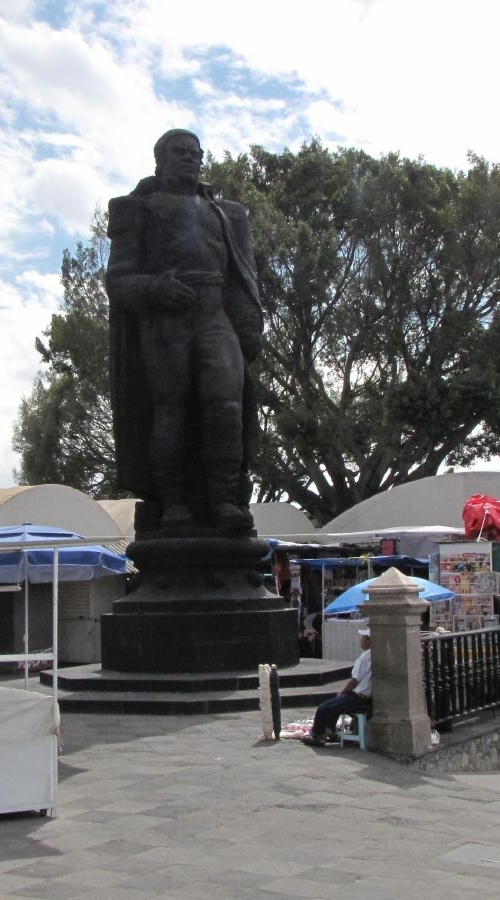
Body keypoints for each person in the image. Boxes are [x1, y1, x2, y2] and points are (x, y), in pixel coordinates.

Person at [106, 128, 263, 537]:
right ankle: (173, 502)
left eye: (196, 153)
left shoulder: (228, 213)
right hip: (166, 318)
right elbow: (118, 281)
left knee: (227, 405)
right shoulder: (135, 208)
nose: (191, 158)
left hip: (214, 314)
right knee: (169, 407)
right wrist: (157, 289)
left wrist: (248, 324)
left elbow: (242, 277)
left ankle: (224, 499)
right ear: (160, 160)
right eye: (181, 152)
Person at [301, 627, 372, 746]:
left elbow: (354, 680)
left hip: (358, 697)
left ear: (368, 640)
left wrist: (342, 692)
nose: (361, 640)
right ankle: (330, 730)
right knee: (334, 705)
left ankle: (318, 735)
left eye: (363, 638)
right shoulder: (372, 656)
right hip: (365, 697)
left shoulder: (366, 657)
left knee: (323, 709)